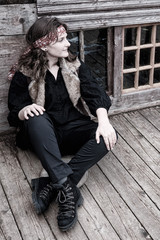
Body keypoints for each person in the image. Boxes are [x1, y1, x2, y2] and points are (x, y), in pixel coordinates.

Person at [7, 17, 117, 231]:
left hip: (74, 129)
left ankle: (54, 183)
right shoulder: (25, 73)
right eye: (62, 39)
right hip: (45, 137)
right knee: (35, 117)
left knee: (109, 135)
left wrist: (103, 122)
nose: (68, 42)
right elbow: (14, 112)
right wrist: (23, 111)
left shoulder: (75, 66)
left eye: (67, 37)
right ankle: (68, 193)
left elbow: (96, 94)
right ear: (45, 45)